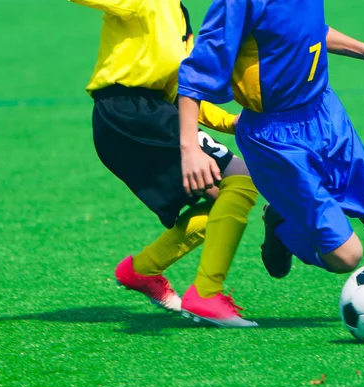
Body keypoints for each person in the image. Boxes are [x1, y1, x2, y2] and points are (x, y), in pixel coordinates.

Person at [178, 0, 364, 318]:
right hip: (276, 138)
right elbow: (195, 72)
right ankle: (282, 229)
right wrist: (190, 149)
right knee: (346, 257)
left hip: (325, 115)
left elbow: (311, 33)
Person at [69, 0, 259, 327]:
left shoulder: (181, 19)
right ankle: (205, 296)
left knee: (225, 198)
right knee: (241, 179)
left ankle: (142, 269)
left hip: (152, 115)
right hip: (129, 114)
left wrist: (231, 122)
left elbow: (181, 95)